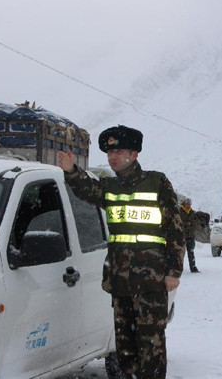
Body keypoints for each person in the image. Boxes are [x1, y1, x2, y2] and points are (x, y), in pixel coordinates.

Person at [58, 125, 185, 379]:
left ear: (135, 154)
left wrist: (173, 271)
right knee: (125, 346)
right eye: (109, 153)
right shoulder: (110, 187)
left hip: (151, 280)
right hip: (120, 279)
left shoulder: (156, 182)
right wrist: (72, 170)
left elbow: (175, 228)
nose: (113, 157)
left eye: (119, 151)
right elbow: (87, 191)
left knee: (151, 346)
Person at [178, 198, 201, 273]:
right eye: (187, 204)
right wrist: (185, 224)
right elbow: (177, 221)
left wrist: (191, 223)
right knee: (180, 253)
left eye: (189, 204)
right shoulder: (179, 211)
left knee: (191, 252)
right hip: (180, 236)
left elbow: (197, 222)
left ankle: (193, 267)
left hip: (190, 236)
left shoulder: (192, 213)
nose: (188, 205)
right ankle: (178, 268)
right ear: (184, 204)